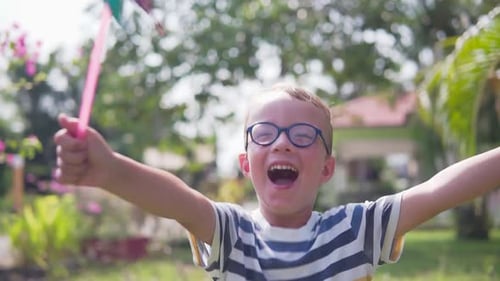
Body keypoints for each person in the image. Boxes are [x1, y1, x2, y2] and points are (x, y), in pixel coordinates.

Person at [54, 84, 500, 281]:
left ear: (327, 168)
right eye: (266, 134)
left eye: (303, 136)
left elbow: (440, 189)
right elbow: (177, 199)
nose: (283, 144)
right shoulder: (235, 235)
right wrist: (110, 170)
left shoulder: (355, 231)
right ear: (247, 164)